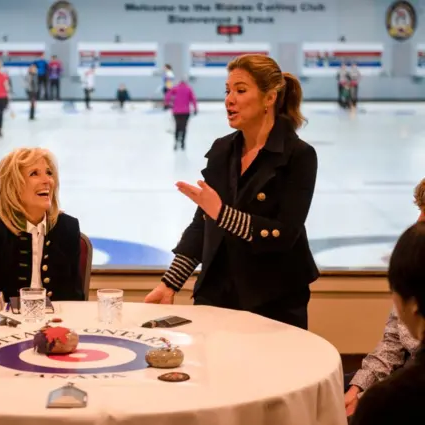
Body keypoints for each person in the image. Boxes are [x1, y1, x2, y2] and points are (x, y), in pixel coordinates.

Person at [144, 54, 319, 330]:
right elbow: (202, 225)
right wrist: (170, 283)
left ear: (269, 98)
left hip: (274, 301)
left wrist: (222, 214)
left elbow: (284, 235)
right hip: (216, 293)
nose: (229, 99)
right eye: (227, 91)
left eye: (240, 90)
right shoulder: (222, 150)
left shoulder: (299, 156)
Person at [344, 177, 425, 417]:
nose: (419, 219)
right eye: (420, 209)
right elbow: (393, 340)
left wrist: (367, 400)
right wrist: (358, 387)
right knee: (325, 386)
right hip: (400, 371)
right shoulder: (417, 259)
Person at [0, 148, 84, 304]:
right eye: (34, 173)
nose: (47, 180)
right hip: (5, 325)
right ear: (13, 186)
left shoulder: (67, 227)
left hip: (56, 323)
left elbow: (75, 297)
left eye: (49, 173)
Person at [164, 78, 198, 150]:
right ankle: (182, 143)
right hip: (186, 112)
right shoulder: (189, 88)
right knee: (184, 127)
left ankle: (176, 142)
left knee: (177, 126)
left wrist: (167, 104)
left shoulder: (175, 88)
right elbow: (193, 99)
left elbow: (168, 95)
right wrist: (195, 109)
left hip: (176, 111)